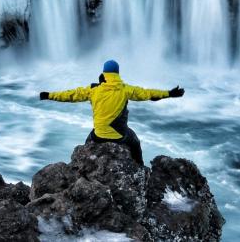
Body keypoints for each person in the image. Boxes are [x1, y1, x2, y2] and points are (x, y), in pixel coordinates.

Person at [39, 59, 185, 165]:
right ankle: (140, 167)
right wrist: (169, 93)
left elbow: (70, 95)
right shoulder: (125, 89)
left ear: (103, 74)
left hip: (98, 136)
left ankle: (82, 161)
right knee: (135, 141)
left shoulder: (93, 90)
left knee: (89, 139)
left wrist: (49, 95)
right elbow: (148, 94)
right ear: (117, 73)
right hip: (120, 136)